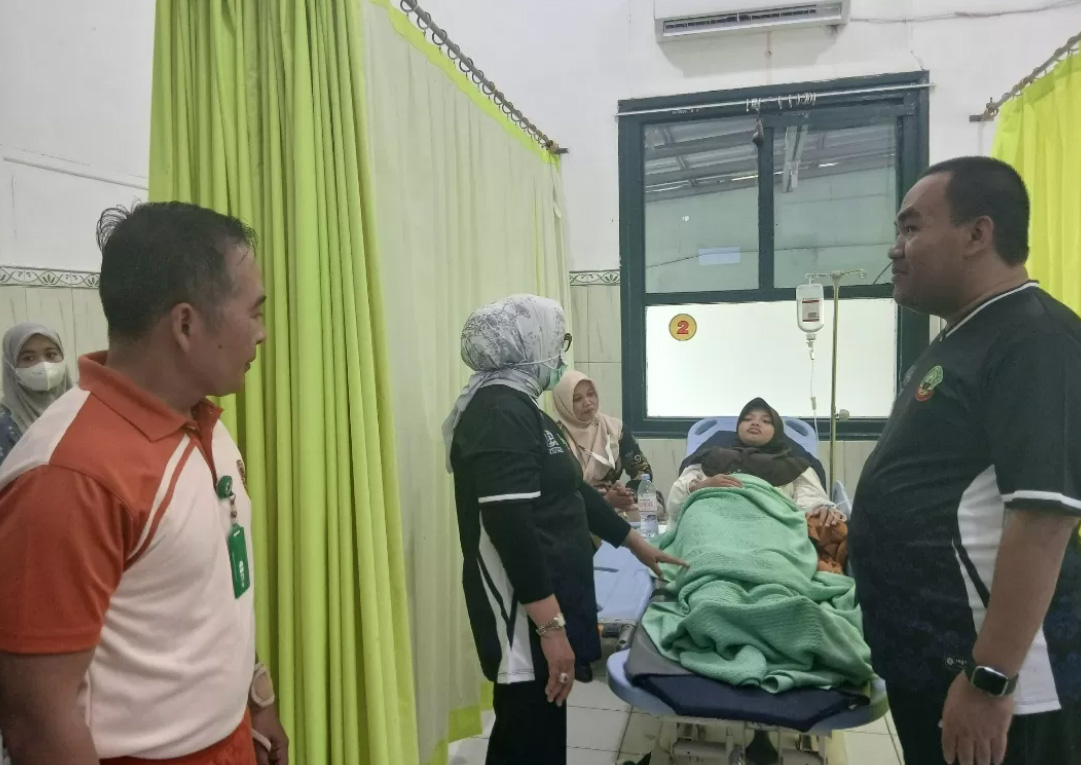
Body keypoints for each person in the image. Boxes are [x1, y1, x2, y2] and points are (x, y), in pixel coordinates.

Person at [0, 203, 288, 765]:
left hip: (231, 738)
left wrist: (257, 699)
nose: (262, 334)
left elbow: (214, 588)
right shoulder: (68, 475)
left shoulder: (206, 426)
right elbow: (37, 721)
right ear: (185, 324)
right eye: (254, 313)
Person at [849, 157, 1081, 765]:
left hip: (999, 686)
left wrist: (990, 678)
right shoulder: (965, 334)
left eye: (911, 228)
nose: (895, 248)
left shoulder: (1035, 340)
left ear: (978, 234)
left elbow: (1044, 518)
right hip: (933, 660)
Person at [444, 293, 686, 765]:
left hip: (546, 594)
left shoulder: (524, 407)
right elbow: (510, 528)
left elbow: (573, 492)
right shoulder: (497, 413)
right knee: (531, 729)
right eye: (557, 340)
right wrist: (550, 627)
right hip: (519, 608)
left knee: (534, 728)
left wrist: (637, 544)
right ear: (525, 344)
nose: (560, 353)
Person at [667, 398, 842, 528]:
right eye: (748, 418)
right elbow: (674, 506)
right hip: (712, 524)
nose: (755, 423)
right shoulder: (710, 457)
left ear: (777, 430)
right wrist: (699, 487)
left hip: (772, 529)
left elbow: (812, 503)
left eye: (766, 421)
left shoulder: (794, 466)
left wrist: (822, 511)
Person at [552, 370, 656, 518]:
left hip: (615, 503)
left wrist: (626, 494)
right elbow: (556, 488)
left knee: (653, 504)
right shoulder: (554, 436)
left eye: (590, 394)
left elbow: (643, 471)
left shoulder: (615, 429)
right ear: (564, 404)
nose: (587, 402)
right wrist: (604, 500)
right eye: (577, 399)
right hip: (575, 505)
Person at [0, 322, 74, 465]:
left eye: (51, 355)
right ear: (10, 366)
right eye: (28, 358)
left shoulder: (83, 408)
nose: (43, 364)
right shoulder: (5, 425)